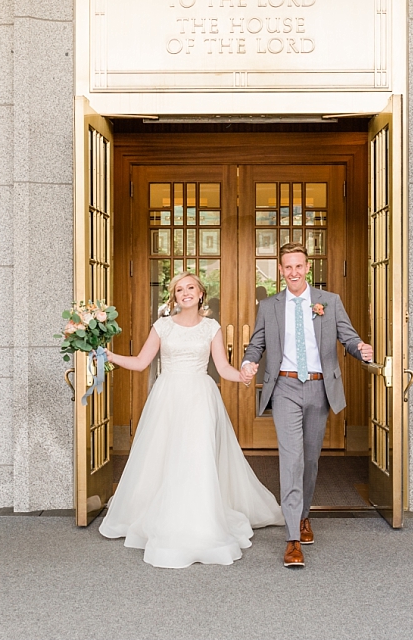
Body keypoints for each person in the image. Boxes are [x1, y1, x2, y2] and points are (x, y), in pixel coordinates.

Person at [100, 272, 284, 568]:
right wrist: (110, 356)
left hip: (200, 396)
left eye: (190, 288)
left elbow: (223, 368)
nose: (185, 293)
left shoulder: (211, 327)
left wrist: (243, 375)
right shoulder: (162, 326)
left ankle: (201, 520)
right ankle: (165, 515)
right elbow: (141, 362)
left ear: (201, 293)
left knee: (198, 456)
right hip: (168, 397)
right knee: (165, 455)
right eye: (179, 289)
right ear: (173, 297)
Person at [240, 242, 374, 568]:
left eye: (299, 266)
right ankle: (292, 539)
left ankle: (303, 515)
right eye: (288, 267)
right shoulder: (269, 306)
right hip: (284, 385)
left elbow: (348, 336)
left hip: (319, 388)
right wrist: (248, 361)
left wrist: (360, 348)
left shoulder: (329, 302)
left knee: (311, 459)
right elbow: (257, 342)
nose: (294, 272)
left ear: (307, 268)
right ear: (281, 270)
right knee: (291, 459)